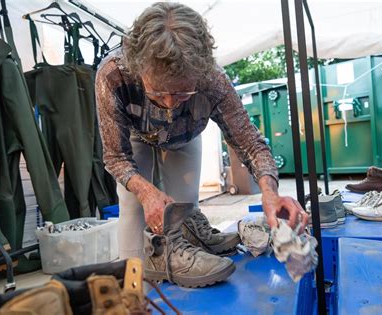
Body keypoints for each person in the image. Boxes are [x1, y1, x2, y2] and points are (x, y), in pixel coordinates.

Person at [95, 2, 308, 260]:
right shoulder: (113, 74)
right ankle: (135, 286)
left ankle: (183, 273)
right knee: (132, 206)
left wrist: (270, 193)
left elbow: (250, 144)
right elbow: (116, 157)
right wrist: (145, 191)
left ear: (200, 73)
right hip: (135, 134)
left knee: (185, 210)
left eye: (183, 93)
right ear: (140, 70)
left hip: (185, 137)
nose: (171, 105)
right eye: (159, 93)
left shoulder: (213, 80)